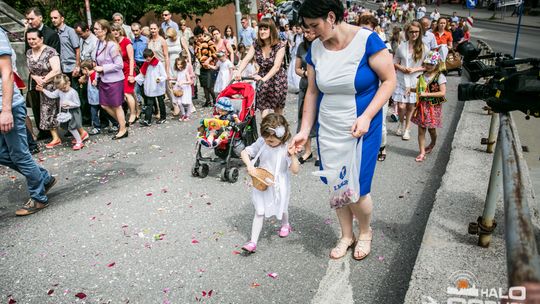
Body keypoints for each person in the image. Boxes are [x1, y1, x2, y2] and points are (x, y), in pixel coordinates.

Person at [291, 0, 396, 261]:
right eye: (306, 27)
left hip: (361, 126)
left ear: (330, 17)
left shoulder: (367, 40)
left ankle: (365, 232)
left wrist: (367, 116)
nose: (310, 33)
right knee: (337, 186)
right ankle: (346, 235)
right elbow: (313, 92)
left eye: (314, 26)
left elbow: (389, 80)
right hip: (329, 127)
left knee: (358, 190)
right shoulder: (315, 48)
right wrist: (305, 130)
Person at [1, 28, 57, 216]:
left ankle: (38, 198)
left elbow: (7, 73)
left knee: (20, 155)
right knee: (2, 154)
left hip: (7, 105)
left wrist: (6, 110)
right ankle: (44, 177)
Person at [240, 113, 300, 253]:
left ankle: (285, 224)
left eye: (272, 140)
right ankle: (253, 242)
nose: (268, 142)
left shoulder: (286, 148)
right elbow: (244, 152)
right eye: (266, 138)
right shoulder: (262, 142)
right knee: (259, 211)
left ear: (282, 136)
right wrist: (249, 165)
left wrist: (293, 155)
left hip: (279, 182)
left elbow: (295, 170)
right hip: (262, 181)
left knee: (282, 206)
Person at [234, 18, 287, 118]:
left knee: (278, 112)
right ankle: (265, 132)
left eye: (265, 29)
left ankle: (280, 132)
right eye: (261, 29)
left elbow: (276, 67)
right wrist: (238, 71)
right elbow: (246, 59)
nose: (262, 32)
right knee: (263, 113)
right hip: (262, 78)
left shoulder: (280, 45)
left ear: (271, 30)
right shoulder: (256, 44)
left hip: (277, 79)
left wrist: (264, 79)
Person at [24, 7, 61, 141]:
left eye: (32, 18)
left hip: (50, 77)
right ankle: (43, 131)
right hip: (35, 77)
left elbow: (55, 60)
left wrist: (44, 79)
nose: (29, 21)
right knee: (36, 104)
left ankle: (63, 132)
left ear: (40, 18)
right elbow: (27, 55)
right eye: (28, 19)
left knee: (52, 106)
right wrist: (35, 77)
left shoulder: (51, 34)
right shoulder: (28, 34)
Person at [93, 19, 128, 140]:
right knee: (104, 105)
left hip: (115, 80)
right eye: (95, 28)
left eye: (97, 28)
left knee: (117, 105)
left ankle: (123, 129)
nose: (95, 31)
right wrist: (96, 76)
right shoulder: (98, 43)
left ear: (105, 30)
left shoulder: (112, 45)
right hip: (104, 79)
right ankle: (122, 122)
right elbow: (97, 62)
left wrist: (102, 68)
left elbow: (119, 65)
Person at [393, 21, 428, 141]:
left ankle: (407, 128)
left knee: (410, 107)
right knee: (401, 106)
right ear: (407, 32)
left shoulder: (424, 48)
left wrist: (415, 69)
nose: (414, 34)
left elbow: (428, 66)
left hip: (415, 80)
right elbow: (394, 62)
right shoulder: (401, 46)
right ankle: (400, 124)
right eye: (411, 31)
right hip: (402, 79)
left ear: (420, 32)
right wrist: (402, 67)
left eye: (416, 32)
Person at [411, 51, 446, 162]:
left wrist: (427, 94)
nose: (429, 66)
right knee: (421, 130)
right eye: (427, 63)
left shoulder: (440, 76)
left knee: (431, 130)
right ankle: (422, 152)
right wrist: (411, 90)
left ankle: (433, 142)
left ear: (436, 64)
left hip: (433, 108)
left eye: (431, 64)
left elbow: (442, 93)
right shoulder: (422, 76)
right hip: (422, 106)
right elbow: (420, 90)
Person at [40, 74, 88, 150]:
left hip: (73, 112)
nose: (63, 90)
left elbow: (78, 104)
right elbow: (52, 95)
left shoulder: (73, 92)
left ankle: (79, 142)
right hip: (65, 112)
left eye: (64, 88)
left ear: (68, 83)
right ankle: (78, 138)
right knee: (69, 127)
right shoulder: (60, 91)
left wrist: (69, 104)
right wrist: (43, 90)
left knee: (72, 127)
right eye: (60, 89)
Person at [294, 28, 318, 166]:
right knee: (304, 117)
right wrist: (306, 73)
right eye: (305, 32)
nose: (306, 34)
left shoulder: (322, 45)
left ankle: (321, 153)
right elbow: (297, 68)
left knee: (320, 118)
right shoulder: (302, 47)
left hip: (320, 87)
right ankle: (308, 151)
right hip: (305, 86)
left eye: (309, 31)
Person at [111, 24, 138, 125]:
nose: (115, 32)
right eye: (113, 30)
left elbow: (131, 59)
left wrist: (131, 74)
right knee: (127, 93)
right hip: (118, 71)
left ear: (121, 30)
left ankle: (133, 114)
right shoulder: (112, 43)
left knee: (127, 93)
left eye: (117, 30)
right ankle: (136, 110)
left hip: (128, 69)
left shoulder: (126, 41)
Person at [135, 48, 167, 126]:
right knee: (149, 104)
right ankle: (147, 120)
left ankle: (163, 117)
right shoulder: (146, 64)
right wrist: (135, 79)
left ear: (152, 56)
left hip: (158, 86)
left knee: (161, 102)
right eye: (146, 57)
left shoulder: (158, 63)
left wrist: (160, 79)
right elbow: (142, 75)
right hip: (149, 87)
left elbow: (164, 75)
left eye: (149, 57)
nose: (147, 59)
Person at [171, 57, 193, 121]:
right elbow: (178, 79)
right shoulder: (178, 71)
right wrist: (171, 79)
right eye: (178, 64)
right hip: (178, 88)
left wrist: (183, 82)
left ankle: (187, 115)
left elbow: (189, 81)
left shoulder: (185, 71)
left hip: (186, 88)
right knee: (179, 102)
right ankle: (183, 114)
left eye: (180, 64)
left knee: (187, 102)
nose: (179, 66)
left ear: (183, 64)